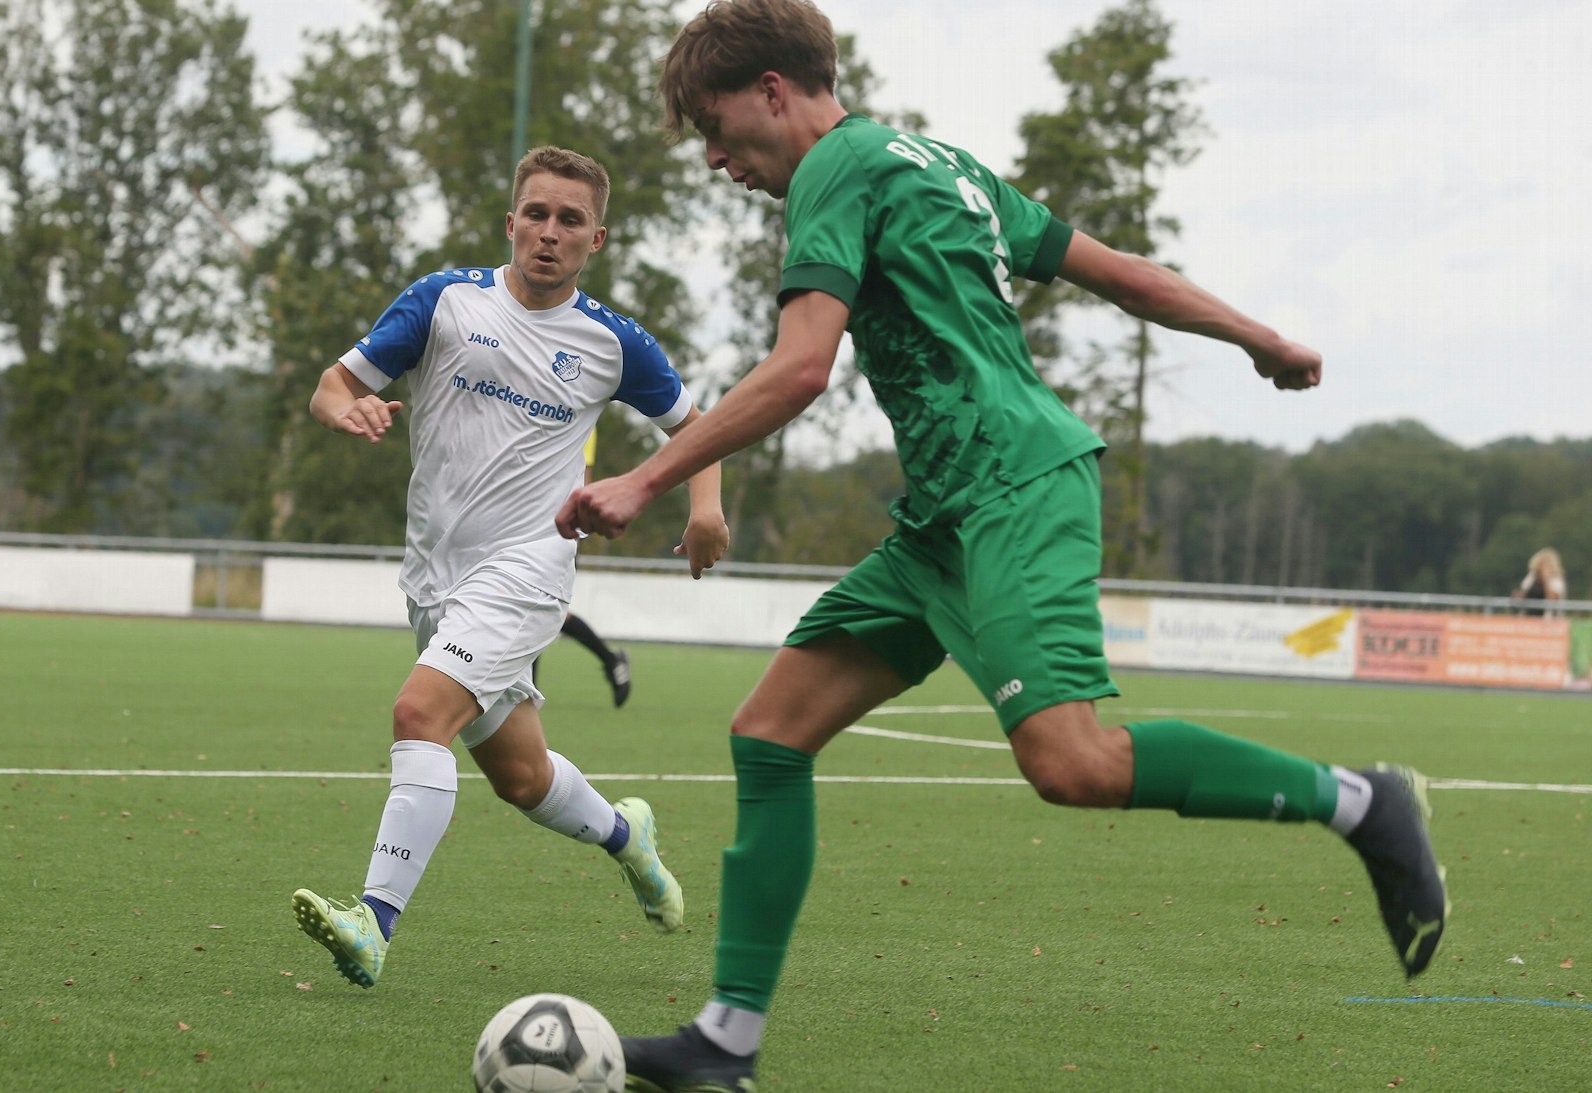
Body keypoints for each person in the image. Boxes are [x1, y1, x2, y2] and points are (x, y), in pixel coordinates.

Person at [554, 3, 1447, 1086]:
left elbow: (799, 368)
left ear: (775, 91)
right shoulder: (939, 163)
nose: (714, 157)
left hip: (1013, 489)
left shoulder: (836, 169)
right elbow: (1114, 269)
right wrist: (1257, 336)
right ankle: (725, 1043)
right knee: (770, 733)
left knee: (1071, 764)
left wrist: (647, 476)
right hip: (944, 517)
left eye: (716, 125)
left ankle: (1359, 802)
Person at [289, 146, 731, 989]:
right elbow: (330, 385)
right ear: (511, 221)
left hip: (529, 571)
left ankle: (372, 924)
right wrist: (350, 411)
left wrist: (704, 507)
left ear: (595, 238)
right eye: (537, 213)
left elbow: (697, 425)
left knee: (421, 712)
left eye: (570, 220)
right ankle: (626, 836)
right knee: (523, 777)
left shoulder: (611, 341)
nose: (549, 232)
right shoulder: (445, 300)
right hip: (434, 579)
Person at [535, 432, 634, 707]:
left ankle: (525, 698)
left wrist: (575, 532)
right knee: (542, 613)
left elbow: (583, 477)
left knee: (539, 609)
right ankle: (611, 660)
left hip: (555, 530)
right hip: (525, 525)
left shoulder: (578, 403)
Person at [1510, 547, 1566, 619]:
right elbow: (1525, 595)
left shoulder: (1556, 580)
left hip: (1549, 620)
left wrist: (1547, 579)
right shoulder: (1532, 577)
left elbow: (1553, 599)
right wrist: (1518, 595)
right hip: (1529, 618)